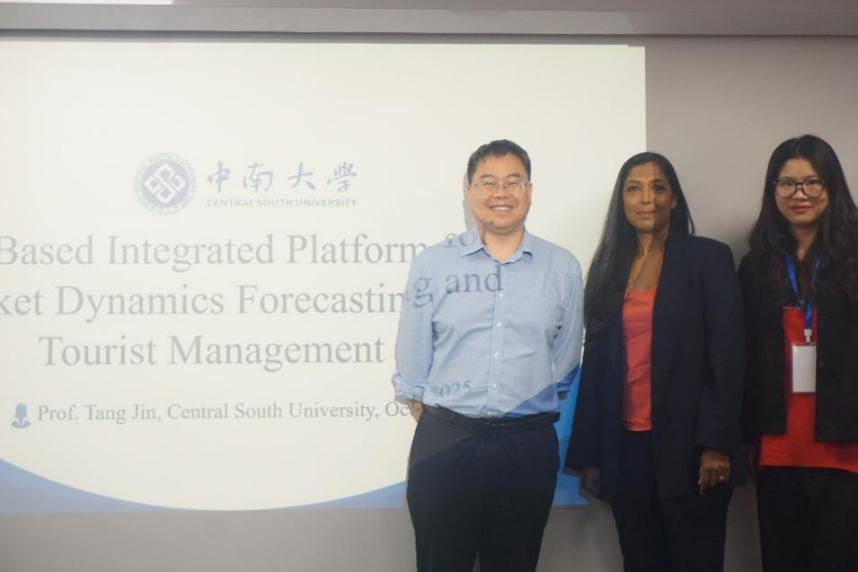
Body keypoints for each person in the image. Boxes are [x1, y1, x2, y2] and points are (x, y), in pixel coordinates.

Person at [392, 139, 584, 572]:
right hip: (447, 443)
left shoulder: (561, 268)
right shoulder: (432, 266)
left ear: (529, 191)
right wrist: (450, 418)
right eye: (488, 182)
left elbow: (565, 358)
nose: (501, 192)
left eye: (513, 181)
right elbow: (413, 356)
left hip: (526, 446)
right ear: (468, 190)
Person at [566, 152, 745, 572]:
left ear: (674, 199)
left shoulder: (708, 259)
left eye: (658, 187)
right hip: (626, 450)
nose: (647, 198)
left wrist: (717, 443)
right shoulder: (609, 269)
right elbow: (596, 368)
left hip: (692, 449)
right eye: (634, 189)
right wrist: (592, 454)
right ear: (622, 200)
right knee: (640, 561)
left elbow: (728, 354)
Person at [740, 134, 858, 572]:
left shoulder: (854, 258)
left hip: (845, 444)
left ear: (832, 186)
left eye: (812, 182)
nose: (799, 194)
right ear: (773, 191)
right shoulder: (756, 265)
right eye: (787, 184)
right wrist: (743, 436)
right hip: (777, 445)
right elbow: (745, 357)